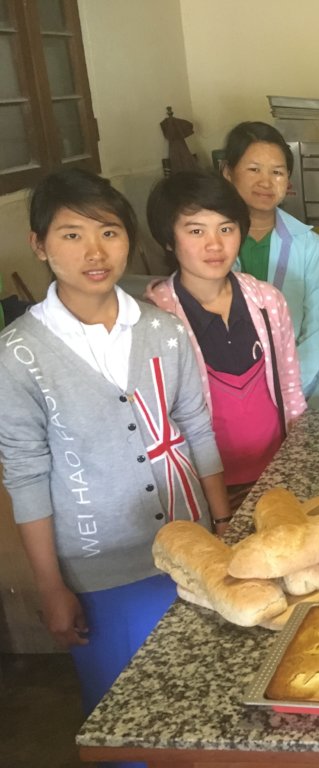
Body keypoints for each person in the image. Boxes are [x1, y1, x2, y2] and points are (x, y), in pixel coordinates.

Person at [0, 169, 230, 730]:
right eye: (71, 235)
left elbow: (197, 425)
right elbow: (26, 474)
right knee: (123, 717)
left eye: (109, 232)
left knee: (201, 700)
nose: (95, 251)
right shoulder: (19, 354)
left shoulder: (164, 330)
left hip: (191, 550)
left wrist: (224, 522)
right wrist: (51, 587)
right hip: (98, 572)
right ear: (39, 244)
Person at [145, 171, 306, 507]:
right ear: (169, 239)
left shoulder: (267, 301)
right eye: (196, 231)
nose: (214, 244)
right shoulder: (155, 318)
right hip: (203, 489)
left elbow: (290, 388)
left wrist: (298, 463)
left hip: (275, 476)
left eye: (226, 228)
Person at [221, 121, 319, 410]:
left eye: (277, 172)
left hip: (302, 393)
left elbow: (318, 328)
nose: (265, 182)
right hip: (229, 393)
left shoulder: (308, 244)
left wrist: (289, 391)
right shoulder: (212, 245)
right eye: (253, 169)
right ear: (227, 172)